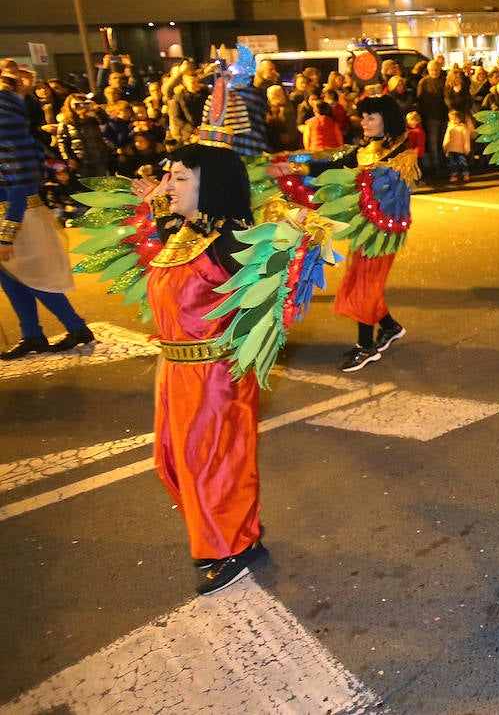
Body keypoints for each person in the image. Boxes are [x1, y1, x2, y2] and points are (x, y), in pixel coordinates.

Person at [137, 141, 267, 594]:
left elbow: (269, 302)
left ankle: (235, 545)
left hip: (215, 378)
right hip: (175, 371)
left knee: (215, 466)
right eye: (169, 175)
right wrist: (155, 200)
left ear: (209, 185)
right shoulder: (185, 232)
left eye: (180, 177)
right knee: (173, 462)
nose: (169, 185)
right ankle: (226, 533)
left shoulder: (230, 241)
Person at [268, 95, 413, 371]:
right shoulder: (362, 151)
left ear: (387, 120)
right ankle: (390, 328)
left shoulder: (399, 154)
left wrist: (360, 184)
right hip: (363, 230)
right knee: (362, 280)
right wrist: (292, 167)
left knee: (364, 285)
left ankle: (366, 346)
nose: (365, 123)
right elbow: (329, 166)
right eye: (364, 117)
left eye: (372, 118)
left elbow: (388, 190)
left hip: (382, 233)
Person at [0, 87, 94, 358]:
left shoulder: (11, 146)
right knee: (13, 281)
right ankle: (32, 334)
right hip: (17, 219)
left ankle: (76, 328)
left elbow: (17, 194)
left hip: (21, 222)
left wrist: (6, 237)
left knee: (34, 279)